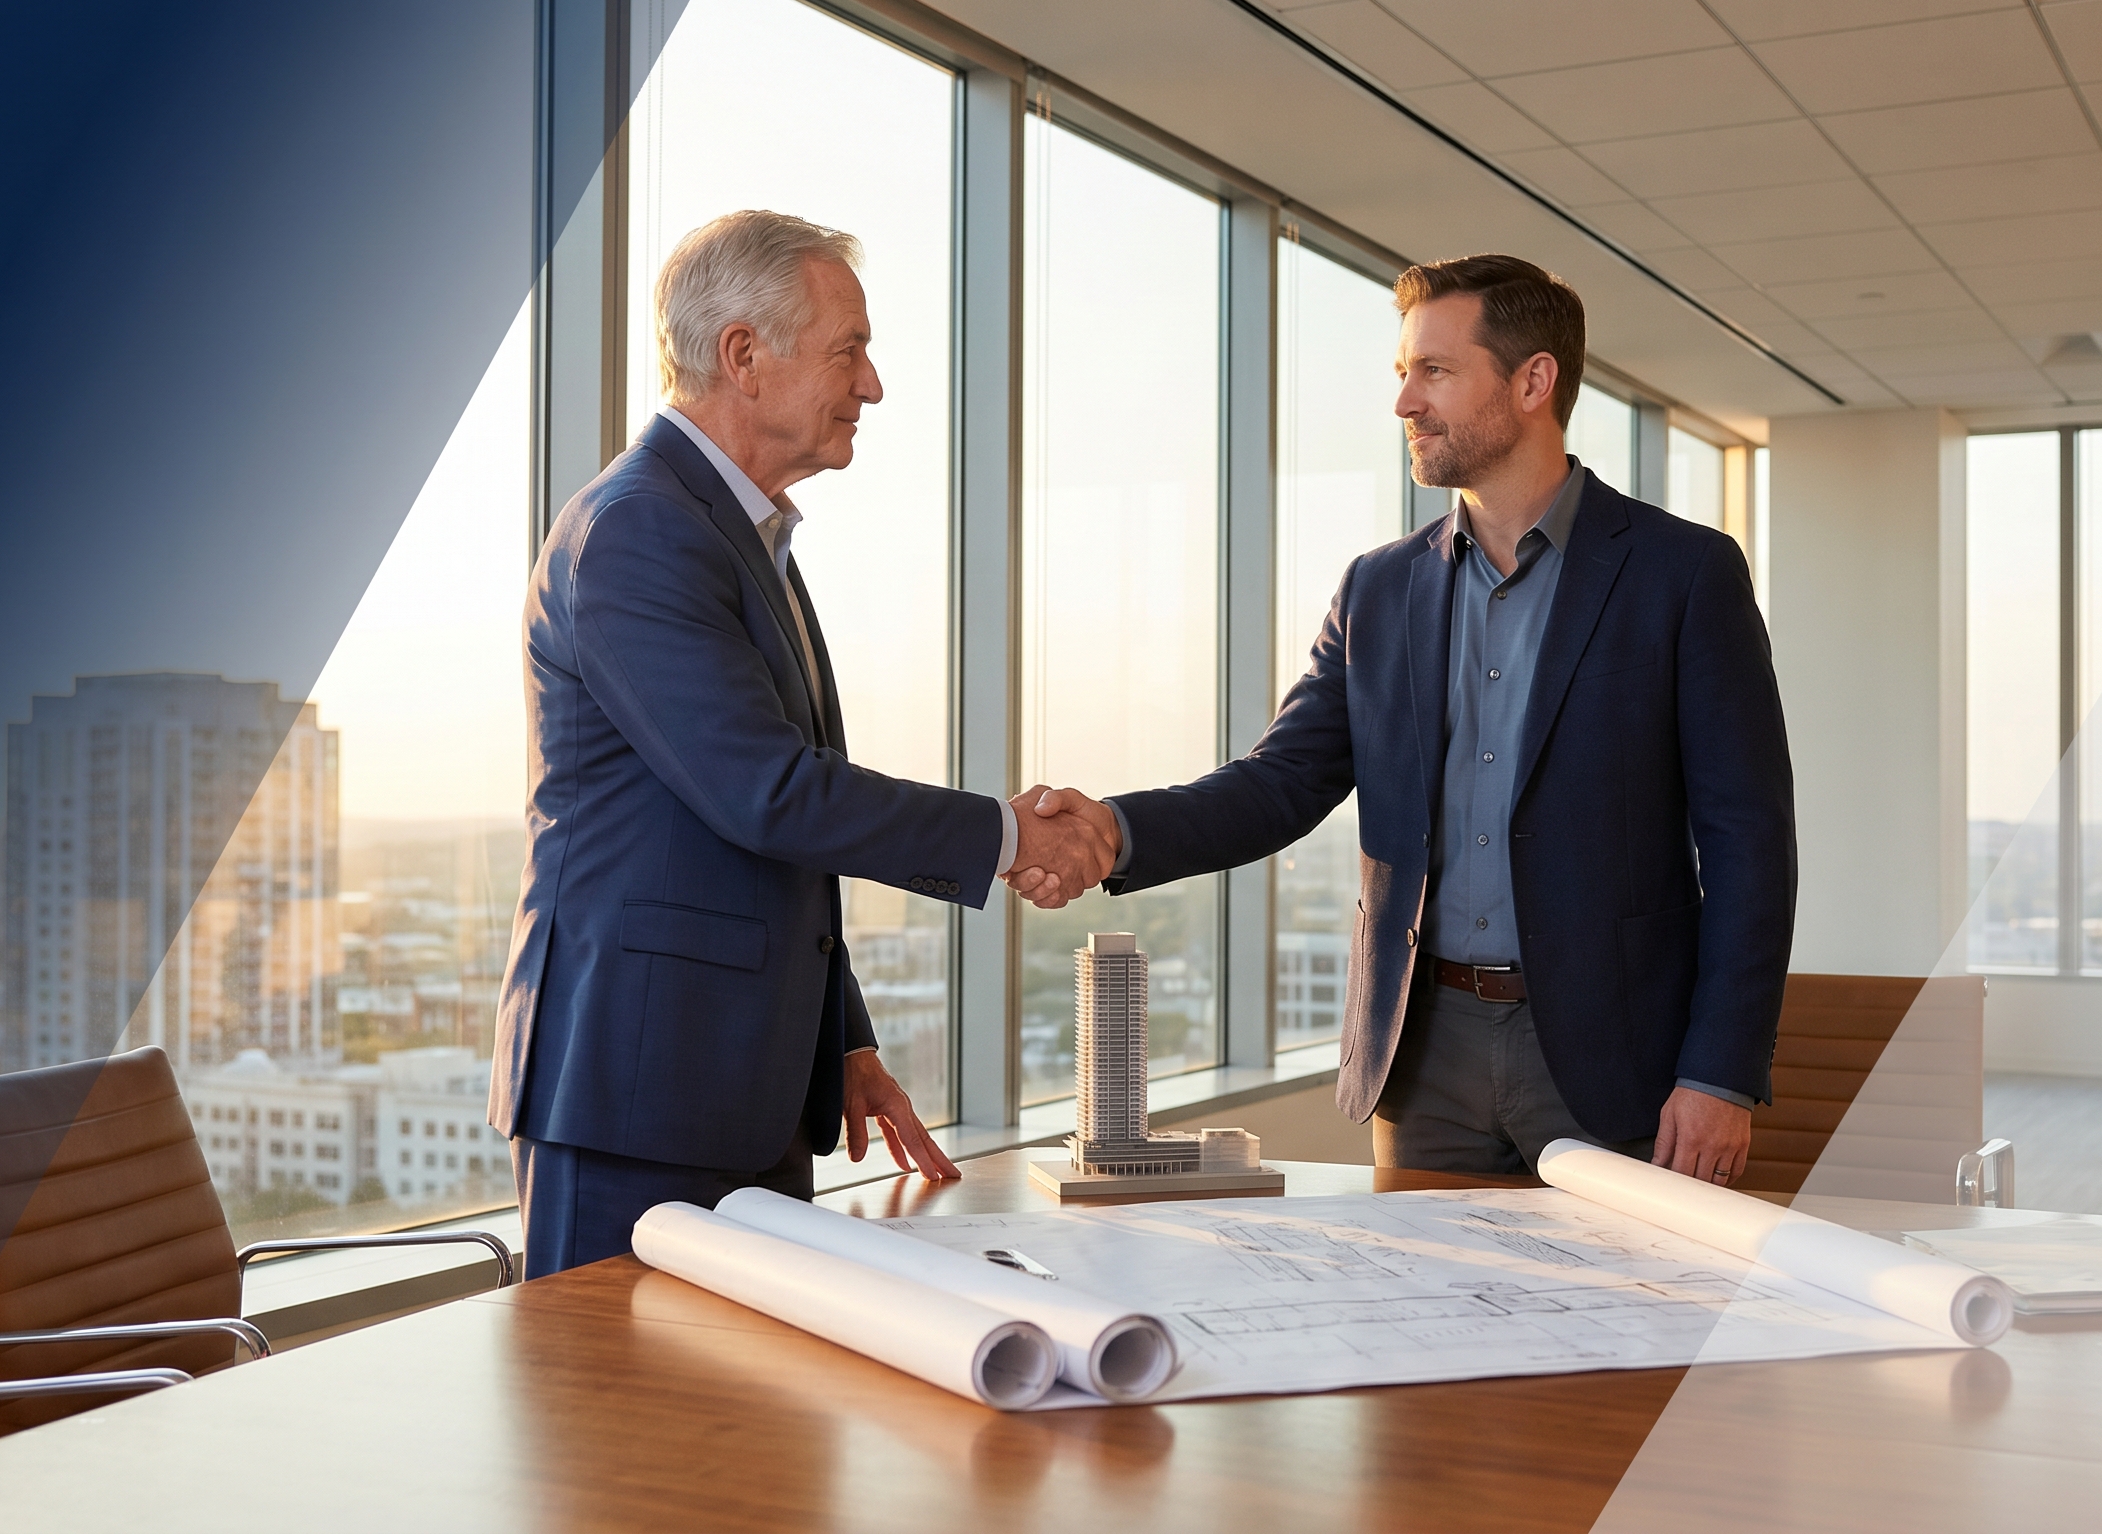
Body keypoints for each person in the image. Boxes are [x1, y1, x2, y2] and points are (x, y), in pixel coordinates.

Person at [1009, 254, 1795, 1185]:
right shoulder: (1378, 588)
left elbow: (1749, 843)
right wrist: (1116, 830)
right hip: (1422, 1061)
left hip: (1615, 1057)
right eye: (1401, 374)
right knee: (1420, 1323)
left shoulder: (1683, 574)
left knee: (1628, 1329)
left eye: (1435, 371)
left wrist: (1721, 1074)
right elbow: (1282, 781)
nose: (1404, 405)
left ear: (1533, 380)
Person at [492, 211, 1114, 1277]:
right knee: (623, 1434)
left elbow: (771, 846)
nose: (869, 386)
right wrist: (1006, 835)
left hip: (740, 1083)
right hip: (639, 1094)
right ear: (743, 355)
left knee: (756, 1436)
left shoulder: (743, 536)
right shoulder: (642, 530)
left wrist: (839, 1043)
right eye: (848, 351)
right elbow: (769, 795)